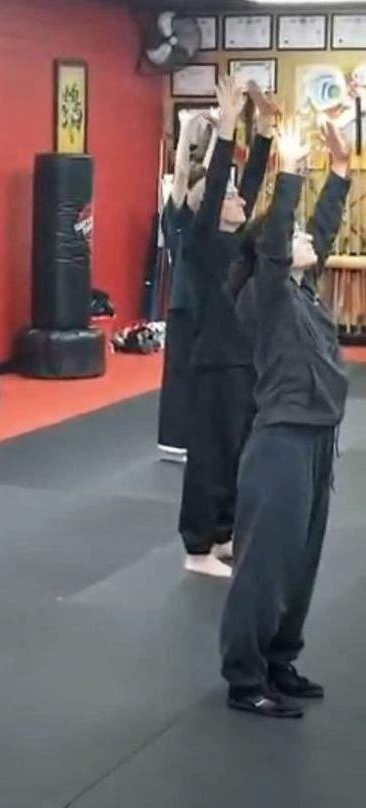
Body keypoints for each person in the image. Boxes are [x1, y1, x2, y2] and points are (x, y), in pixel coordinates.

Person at [219, 119, 350, 718]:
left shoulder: (305, 291)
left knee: (301, 561)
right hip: (280, 444)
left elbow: (319, 230)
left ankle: (280, 659)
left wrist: (341, 171)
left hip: (319, 439)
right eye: (292, 236)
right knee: (265, 562)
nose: (304, 239)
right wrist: (291, 170)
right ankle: (245, 678)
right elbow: (277, 239)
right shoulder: (265, 295)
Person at [177, 78, 277, 579]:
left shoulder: (239, 246)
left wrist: (263, 131)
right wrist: (227, 126)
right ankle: (196, 548)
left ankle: (223, 536)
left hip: (243, 364)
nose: (241, 199)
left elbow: (252, 180)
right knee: (210, 455)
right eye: (230, 197)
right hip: (213, 364)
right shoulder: (200, 248)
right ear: (213, 211)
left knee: (238, 453)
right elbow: (218, 182)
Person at [157, 107, 211, 463]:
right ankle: (174, 442)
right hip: (182, 307)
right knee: (180, 373)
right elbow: (180, 175)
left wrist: (220, 132)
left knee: (206, 373)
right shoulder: (176, 218)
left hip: (207, 304)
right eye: (198, 189)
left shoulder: (205, 220)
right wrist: (186, 129)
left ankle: (201, 436)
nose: (202, 192)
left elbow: (211, 173)